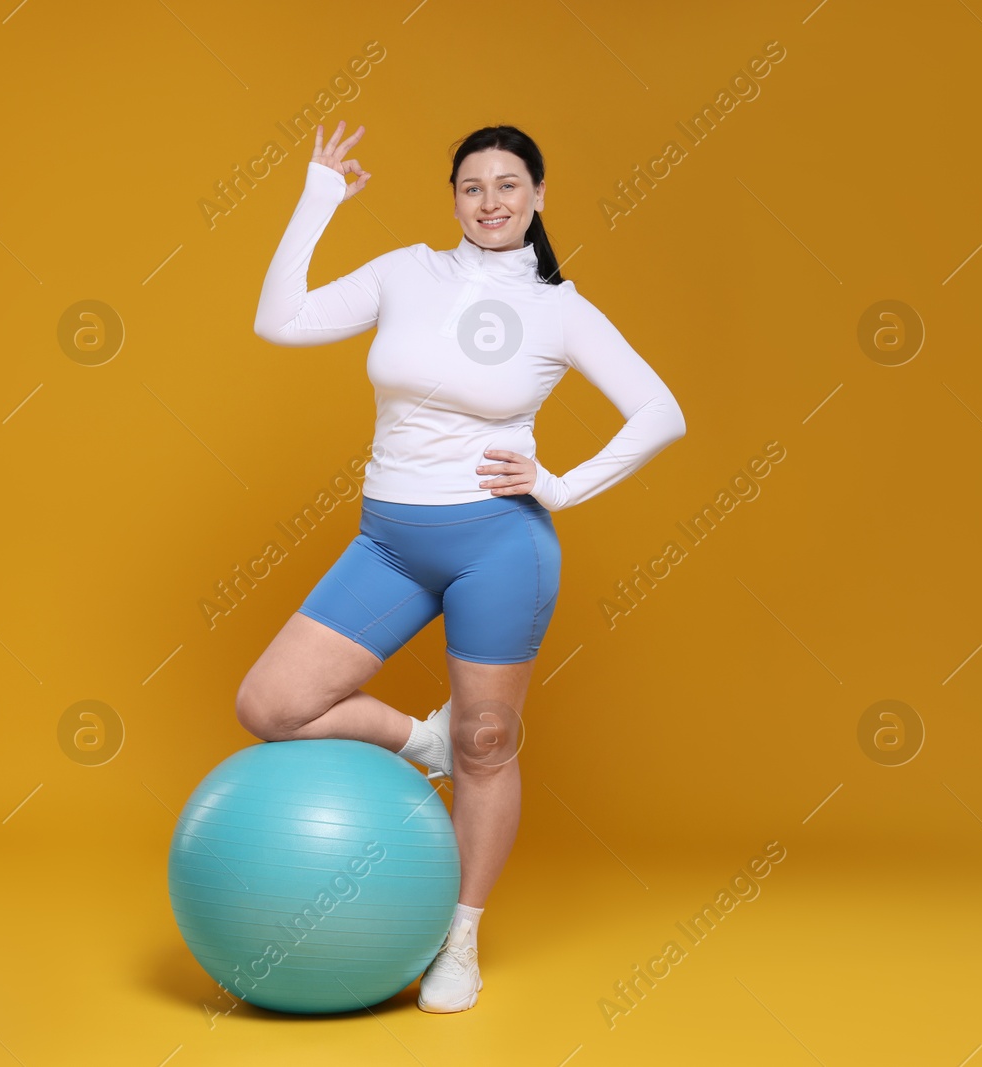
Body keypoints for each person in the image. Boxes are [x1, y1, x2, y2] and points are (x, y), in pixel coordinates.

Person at [236, 120, 686, 1013]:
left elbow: (660, 412)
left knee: (489, 747)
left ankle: (462, 940)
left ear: (538, 196)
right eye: (473, 187)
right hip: (390, 541)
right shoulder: (408, 271)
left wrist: (559, 487)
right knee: (271, 703)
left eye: (509, 185)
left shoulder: (560, 307)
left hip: (498, 547)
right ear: (454, 199)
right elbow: (277, 320)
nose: (490, 202)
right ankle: (421, 740)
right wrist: (318, 195)